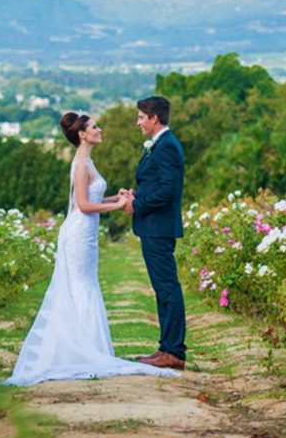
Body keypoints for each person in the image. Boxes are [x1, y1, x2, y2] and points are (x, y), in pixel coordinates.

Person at [4, 112, 181, 386]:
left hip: (86, 234)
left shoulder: (87, 161)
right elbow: (83, 206)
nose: (100, 130)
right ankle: (81, 351)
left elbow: (92, 197)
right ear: (82, 135)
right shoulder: (80, 165)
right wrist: (118, 206)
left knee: (86, 284)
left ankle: (87, 347)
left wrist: (117, 196)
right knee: (80, 286)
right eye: (94, 127)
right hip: (78, 233)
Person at [123, 96, 187, 370]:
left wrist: (137, 205)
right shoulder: (160, 145)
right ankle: (166, 348)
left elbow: (168, 191)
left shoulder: (167, 147)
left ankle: (174, 351)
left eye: (141, 117)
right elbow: (155, 184)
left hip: (159, 228)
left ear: (154, 118)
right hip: (154, 226)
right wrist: (136, 194)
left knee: (167, 288)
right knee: (162, 289)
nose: (138, 122)